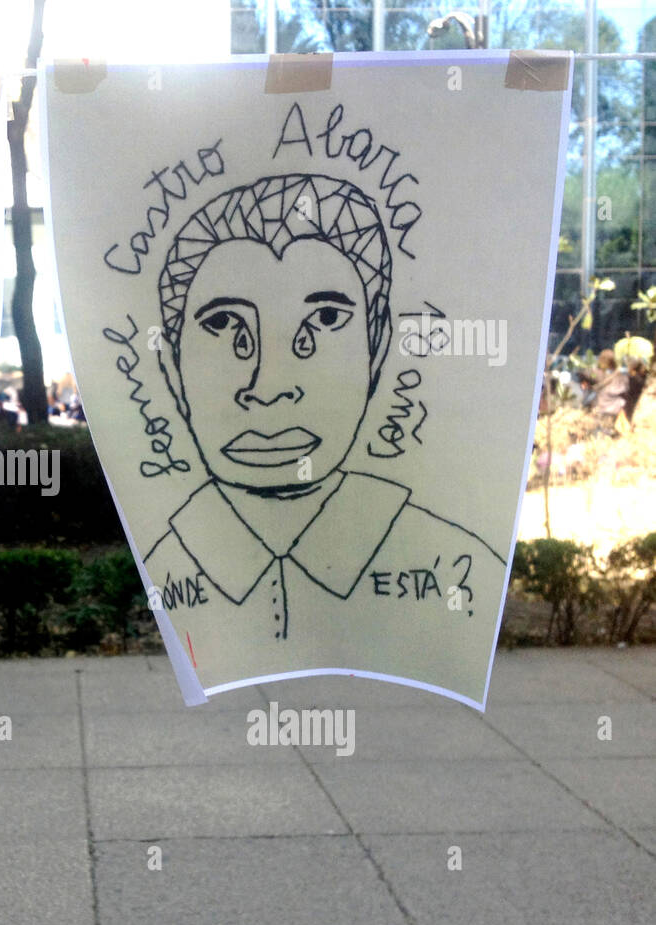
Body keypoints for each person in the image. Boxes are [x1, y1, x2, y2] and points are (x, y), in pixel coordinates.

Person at [145, 173, 505, 653]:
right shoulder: (159, 569)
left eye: (326, 319)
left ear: (375, 352)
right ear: (173, 368)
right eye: (224, 323)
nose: (268, 388)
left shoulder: (456, 566)